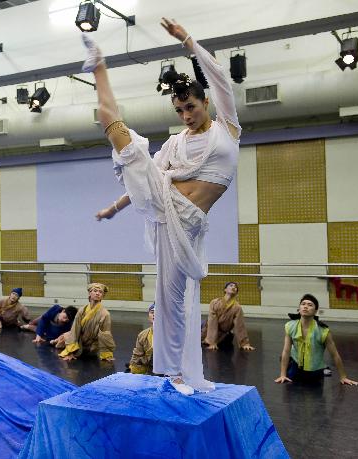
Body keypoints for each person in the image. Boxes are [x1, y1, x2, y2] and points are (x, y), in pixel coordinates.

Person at [84, 18, 240, 394]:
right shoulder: (175, 143)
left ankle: (185, 373)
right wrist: (114, 208)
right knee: (112, 124)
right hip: (164, 206)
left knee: (177, 302)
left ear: (205, 102)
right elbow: (149, 177)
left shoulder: (228, 129)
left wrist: (187, 39)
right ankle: (99, 63)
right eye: (180, 111)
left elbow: (219, 76)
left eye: (191, 107)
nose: (186, 115)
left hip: (188, 226)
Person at [275, 294, 358, 386]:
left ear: (315, 311)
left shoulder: (323, 331)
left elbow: (335, 355)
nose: (306, 306)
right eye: (303, 304)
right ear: (299, 309)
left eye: (310, 305)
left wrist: (343, 377)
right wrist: (282, 374)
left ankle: (324, 368)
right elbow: (286, 351)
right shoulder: (290, 326)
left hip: (314, 370)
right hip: (296, 367)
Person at [57, 283, 115, 362]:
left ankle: (56, 340)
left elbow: (105, 335)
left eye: (100, 292)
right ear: (90, 293)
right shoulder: (82, 310)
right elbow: (75, 330)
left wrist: (106, 354)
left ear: (102, 296)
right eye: (95, 291)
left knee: (65, 336)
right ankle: (55, 341)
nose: (97, 293)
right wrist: (70, 352)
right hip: (79, 342)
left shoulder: (105, 314)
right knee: (65, 336)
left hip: (92, 347)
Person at [202, 282, 255, 351]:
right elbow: (212, 322)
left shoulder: (237, 308)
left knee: (225, 343)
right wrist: (212, 342)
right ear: (225, 290)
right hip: (206, 328)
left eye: (235, 287)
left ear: (236, 292)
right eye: (231, 285)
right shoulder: (215, 302)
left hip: (223, 334)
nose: (233, 287)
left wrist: (244, 343)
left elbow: (240, 325)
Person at [129, 303, 155, 375]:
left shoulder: (171, 335)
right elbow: (137, 355)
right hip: (150, 370)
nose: (154, 315)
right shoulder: (143, 335)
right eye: (152, 312)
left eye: (158, 312)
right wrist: (134, 368)